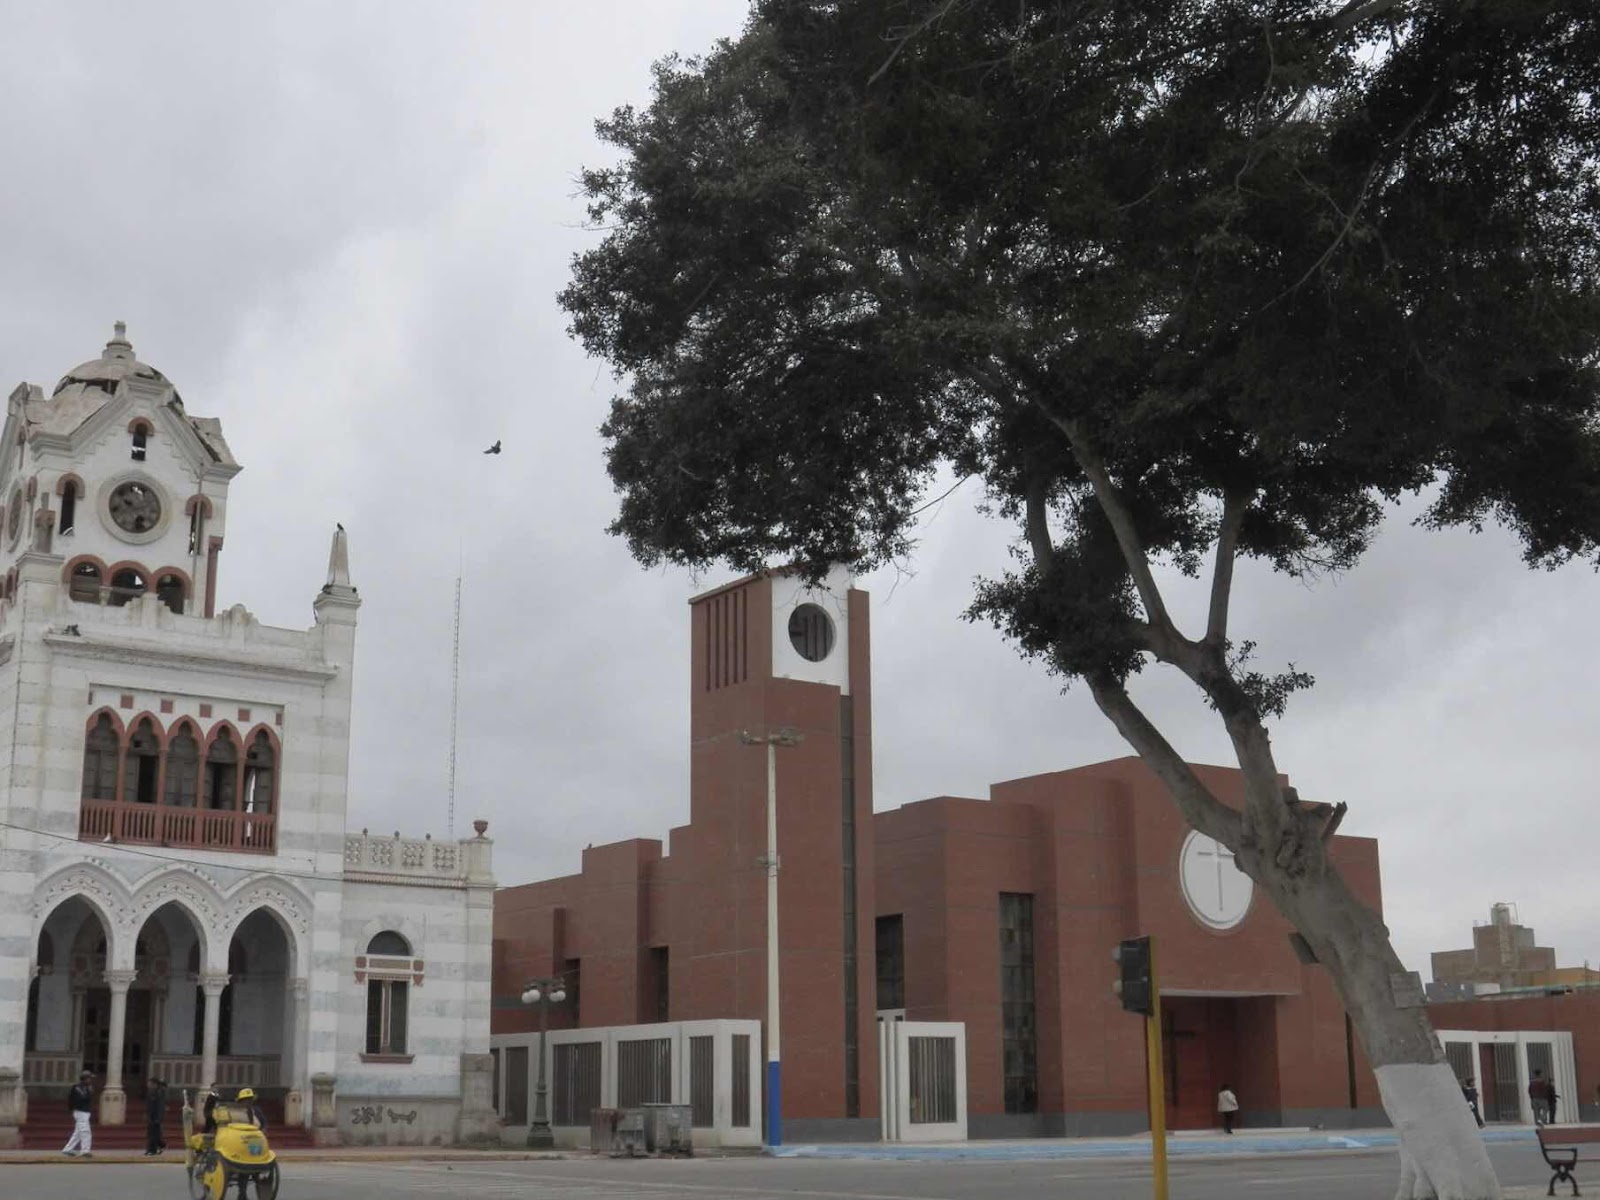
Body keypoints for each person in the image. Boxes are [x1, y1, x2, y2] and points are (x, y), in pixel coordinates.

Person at [62, 1070, 94, 1158]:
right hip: (80, 1111)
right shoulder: (78, 1087)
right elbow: (83, 1098)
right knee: (85, 1131)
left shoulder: (84, 1087)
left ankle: (67, 1149)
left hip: (84, 1112)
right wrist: (89, 1092)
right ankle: (85, 1151)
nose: (91, 1080)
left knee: (78, 1133)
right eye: (89, 1078)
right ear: (85, 1079)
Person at [144, 1077, 169, 1156]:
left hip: (156, 1116)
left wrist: (158, 1118)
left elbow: (160, 1106)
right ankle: (157, 1147)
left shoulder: (159, 1092)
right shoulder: (150, 1092)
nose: (148, 1085)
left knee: (154, 1134)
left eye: (150, 1083)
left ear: (154, 1084)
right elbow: (149, 1106)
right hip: (151, 1116)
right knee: (151, 1134)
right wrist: (147, 1114)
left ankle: (153, 1149)